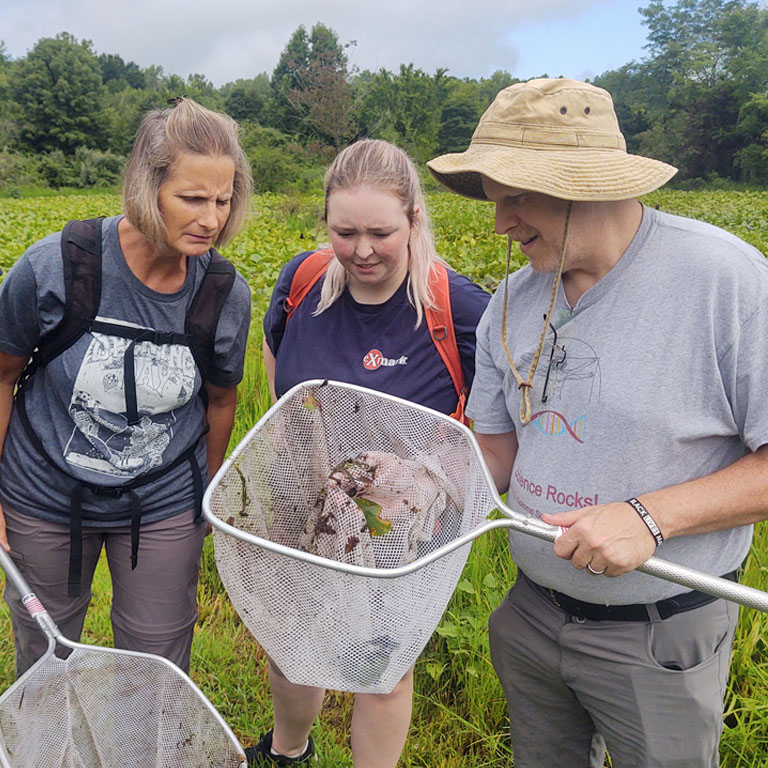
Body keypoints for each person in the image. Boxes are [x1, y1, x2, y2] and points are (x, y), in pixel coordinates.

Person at [426, 77, 768, 767]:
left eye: (517, 196)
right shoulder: (512, 302)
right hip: (531, 615)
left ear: (585, 184)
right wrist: (424, 481)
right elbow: (495, 451)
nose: (501, 223)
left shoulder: (726, 282)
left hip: (658, 632)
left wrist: (647, 518)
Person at [254, 138, 489, 767]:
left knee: (381, 659)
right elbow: (278, 372)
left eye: (381, 232)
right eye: (344, 231)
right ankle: (287, 751)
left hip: (398, 527)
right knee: (292, 639)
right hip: (301, 497)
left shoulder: (457, 308)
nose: (362, 250)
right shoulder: (302, 283)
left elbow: (498, 417)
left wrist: (436, 479)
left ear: (415, 219)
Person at [0, 97, 252, 676]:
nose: (212, 219)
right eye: (192, 198)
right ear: (146, 185)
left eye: (222, 198)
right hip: (45, 494)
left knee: (156, 660)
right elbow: (4, 374)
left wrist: (204, 498)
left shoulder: (221, 292)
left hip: (162, 499)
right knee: (46, 653)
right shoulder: (57, 267)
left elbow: (220, 399)